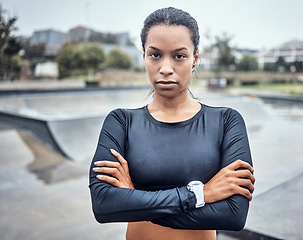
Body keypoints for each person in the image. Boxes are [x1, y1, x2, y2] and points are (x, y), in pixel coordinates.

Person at [89, 7, 255, 240]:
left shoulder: (226, 121)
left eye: (179, 56)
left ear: (195, 58)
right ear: (144, 57)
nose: (166, 69)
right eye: (155, 55)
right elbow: (103, 205)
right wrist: (199, 194)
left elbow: (233, 215)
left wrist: (133, 198)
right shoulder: (121, 122)